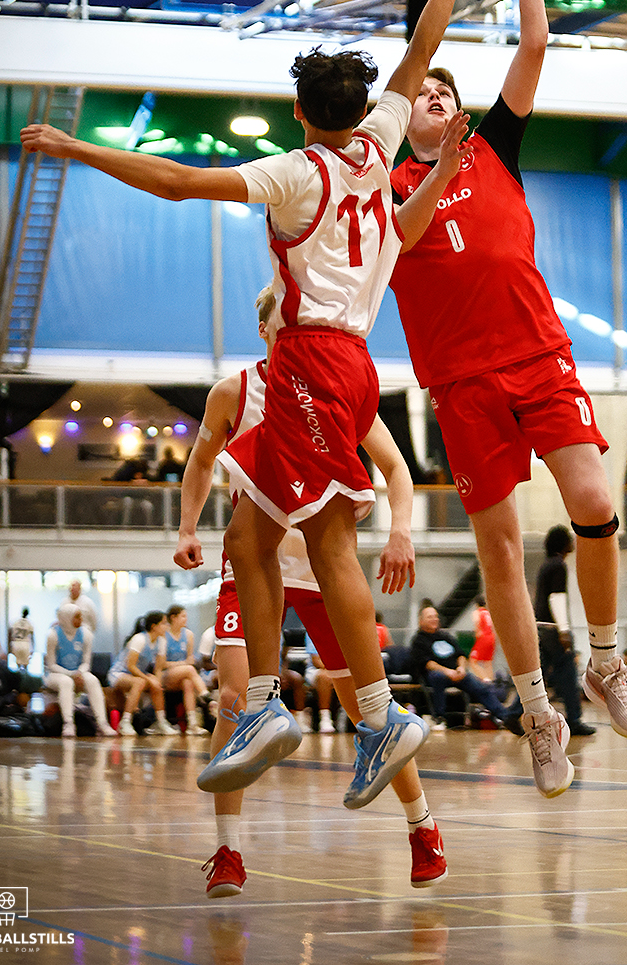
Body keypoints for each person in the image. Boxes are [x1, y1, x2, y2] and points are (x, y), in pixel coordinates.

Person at [23, 0, 503, 809]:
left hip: (316, 362)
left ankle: (374, 717)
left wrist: (72, 146)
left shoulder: (294, 172)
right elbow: (420, 48)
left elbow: (176, 182)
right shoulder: (380, 145)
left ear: (298, 112)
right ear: (366, 109)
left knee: (326, 543)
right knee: (250, 535)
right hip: (345, 366)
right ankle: (272, 707)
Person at [387, 0, 627, 797]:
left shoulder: (495, 147)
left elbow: (534, 42)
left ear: (460, 110)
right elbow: (404, 238)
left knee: (593, 501)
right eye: (422, 91)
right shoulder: (383, 184)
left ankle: (607, 662)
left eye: (444, 89)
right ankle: (539, 713)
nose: (433, 94)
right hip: (461, 382)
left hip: (538, 355)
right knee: (498, 547)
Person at [175, 287, 447, 895]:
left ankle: (422, 827)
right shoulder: (234, 392)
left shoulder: (331, 385)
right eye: (286, 320)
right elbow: (200, 463)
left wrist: (401, 530)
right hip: (254, 569)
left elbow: (397, 468)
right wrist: (188, 527)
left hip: (321, 574)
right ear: (267, 328)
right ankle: (228, 851)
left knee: (365, 708)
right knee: (234, 697)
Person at [504, 526, 594, 737]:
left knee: (538, 675)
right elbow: (557, 597)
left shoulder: (547, 565)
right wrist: (564, 630)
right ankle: (575, 719)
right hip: (552, 630)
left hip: (540, 628)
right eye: (569, 539)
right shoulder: (558, 566)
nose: (572, 542)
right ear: (562, 544)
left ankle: (512, 713)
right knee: (568, 673)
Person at [409, 605, 509, 730]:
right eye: (430, 617)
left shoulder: (445, 636)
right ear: (421, 621)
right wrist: (448, 672)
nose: (434, 619)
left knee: (480, 687)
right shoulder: (418, 641)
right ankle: (439, 717)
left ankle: (505, 716)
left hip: (457, 673)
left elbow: (460, 655)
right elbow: (427, 663)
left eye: (435, 616)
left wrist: (461, 668)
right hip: (436, 674)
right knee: (437, 678)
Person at [45, 604, 116, 738]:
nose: (81, 619)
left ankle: (102, 723)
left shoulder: (86, 634)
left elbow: (86, 662)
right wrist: (71, 674)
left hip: (78, 673)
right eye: (77, 617)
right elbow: (51, 665)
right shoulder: (53, 635)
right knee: (66, 682)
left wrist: (79, 673)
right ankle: (68, 723)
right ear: (67, 617)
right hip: (56, 674)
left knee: (93, 680)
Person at [107, 611, 178, 736]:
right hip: (118, 673)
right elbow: (131, 666)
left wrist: (156, 682)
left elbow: (158, 668)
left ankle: (161, 722)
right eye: (164, 623)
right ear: (154, 626)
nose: (167, 626)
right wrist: (149, 679)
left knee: (156, 683)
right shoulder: (139, 639)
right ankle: (125, 722)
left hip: (137, 675)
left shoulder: (161, 641)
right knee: (140, 682)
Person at [160, 604, 211, 735]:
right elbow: (162, 664)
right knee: (189, 670)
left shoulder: (188, 635)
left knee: (188, 682)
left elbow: (190, 658)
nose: (186, 619)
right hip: (165, 675)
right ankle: (205, 696)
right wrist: (182, 664)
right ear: (173, 618)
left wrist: (186, 664)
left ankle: (192, 724)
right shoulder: (164, 635)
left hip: (183, 674)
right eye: (183, 616)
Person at [468, 597, 496, 681]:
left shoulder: (477, 612)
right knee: (487, 662)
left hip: (483, 637)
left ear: (476, 605)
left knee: (473, 661)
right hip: (491, 637)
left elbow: (477, 622)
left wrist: (477, 632)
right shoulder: (488, 613)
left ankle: (486, 679)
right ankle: (491, 681)